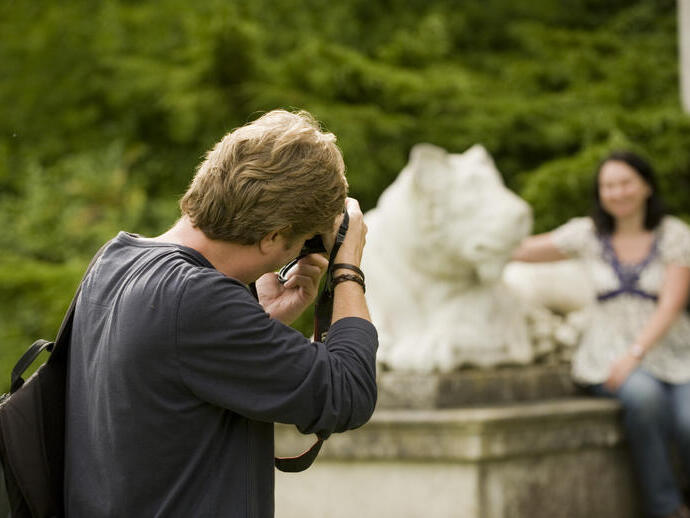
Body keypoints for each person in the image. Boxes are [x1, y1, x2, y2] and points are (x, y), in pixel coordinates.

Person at [63, 110, 378, 517]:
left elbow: (171, 380)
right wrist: (348, 268)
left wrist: (260, 321)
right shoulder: (194, 299)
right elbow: (348, 391)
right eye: (298, 241)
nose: (296, 251)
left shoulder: (116, 259)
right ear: (273, 236)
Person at [512, 151, 690, 518]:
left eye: (625, 183)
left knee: (688, 419)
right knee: (644, 397)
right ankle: (667, 508)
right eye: (608, 185)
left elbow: (671, 303)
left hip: (673, 353)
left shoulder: (674, 235)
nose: (617, 192)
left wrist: (636, 352)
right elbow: (520, 250)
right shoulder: (588, 234)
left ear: (646, 186)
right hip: (607, 353)